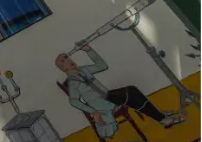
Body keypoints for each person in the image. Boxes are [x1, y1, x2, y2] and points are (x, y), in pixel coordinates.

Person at [56, 42, 185, 136]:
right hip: (102, 104)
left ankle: (160, 117)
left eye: (68, 57)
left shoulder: (83, 70)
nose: (69, 60)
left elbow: (102, 65)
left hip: (107, 95)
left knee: (131, 94)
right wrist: (93, 111)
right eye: (65, 60)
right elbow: (74, 101)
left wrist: (89, 50)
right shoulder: (72, 83)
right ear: (63, 68)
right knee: (131, 93)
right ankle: (162, 118)